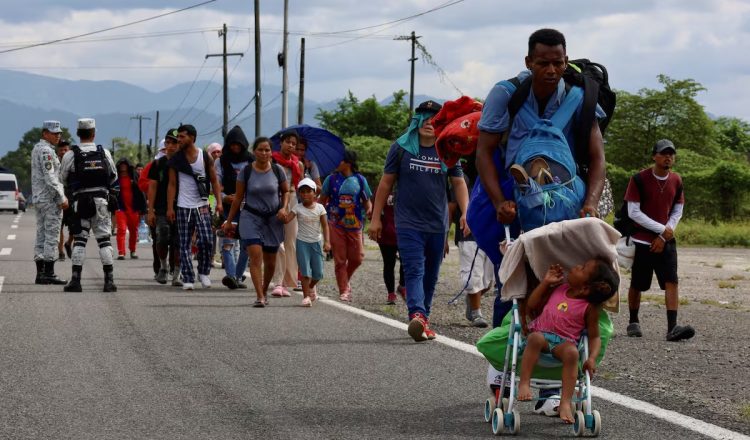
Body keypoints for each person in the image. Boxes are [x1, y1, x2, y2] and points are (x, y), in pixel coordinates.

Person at [474, 28, 607, 411]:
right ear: (528, 62)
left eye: (558, 63)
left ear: (567, 62)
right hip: (513, 202)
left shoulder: (581, 97)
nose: (551, 70)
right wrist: (499, 200)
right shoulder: (507, 94)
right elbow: (484, 152)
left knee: (563, 285)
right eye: (543, 63)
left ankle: (550, 387)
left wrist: (592, 202)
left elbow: (597, 157)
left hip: (568, 201)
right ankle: (502, 371)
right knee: (514, 278)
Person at [368, 100, 470, 342]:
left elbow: (458, 183)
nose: (428, 123)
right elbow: (385, 183)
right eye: (423, 118)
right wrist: (375, 219)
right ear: (415, 121)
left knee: (431, 275)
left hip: (437, 224)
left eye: (434, 119)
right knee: (414, 269)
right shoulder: (400, 148)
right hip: (407, 223)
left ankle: (424, 320)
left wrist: (466, 213)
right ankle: (417, 314)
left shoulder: (448, 149)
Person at [517, 258, 618, 424]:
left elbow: (594, 337)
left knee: (572, 352)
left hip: (563, 343)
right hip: (541, 334)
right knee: (534, 338)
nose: (576, 265)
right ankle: (524, 382)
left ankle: (565, 402)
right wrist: (545, 283)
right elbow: (532, 305)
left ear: (585, 288)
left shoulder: (589, 308)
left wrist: (592, 358)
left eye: (582, 267)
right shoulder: (559, 288)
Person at [624, 139, 694, 342]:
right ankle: (633, 321)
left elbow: (677, 210)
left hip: (666, 242)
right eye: (664, 153)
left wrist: (665, 235)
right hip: (642, 241)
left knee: (672, 281)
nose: (668, 157)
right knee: (638, 283)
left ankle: (672, 328)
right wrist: (662, 230)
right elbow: (633, 212)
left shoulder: (677, 180)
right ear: (654, 156)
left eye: (671, 154)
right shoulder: (638, 179)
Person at [222, 137, 290, 307]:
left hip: (273, 219)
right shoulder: (246, 172)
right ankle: (259, 296)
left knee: (271, 261)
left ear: (271, 152)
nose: (264, 153)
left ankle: (265, 289)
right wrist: (229, 221)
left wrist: (284, 208)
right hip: (250, 217)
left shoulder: (277, 170)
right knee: (255, 256)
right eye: (260, 149)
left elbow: (286, 191)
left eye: (267, 150)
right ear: (254, 151)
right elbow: (238, 199)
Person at [59, 118, 119, 292]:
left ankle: (76, 281)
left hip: (80, 202)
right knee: (104, 241)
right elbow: (113, 176)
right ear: (94, 133)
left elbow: (62, 178)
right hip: (101, 201)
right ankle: (109, 281)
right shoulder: (104, 153)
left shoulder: (71, 154)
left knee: (79, 241)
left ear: (78, 134)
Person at [166, 124, 223, 290]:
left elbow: (214, 181)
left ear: (192, 137)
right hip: (183, 206)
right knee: (184, 244)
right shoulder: (176, 159)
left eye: (182, 137)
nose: (179, 140)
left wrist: (218, 202)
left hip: (202, 205)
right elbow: (172, 184)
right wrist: (171, 207)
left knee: (206, 240)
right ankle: (188, 278)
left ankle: (204, 272)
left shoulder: (205, 157)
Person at [319, 150, 372, 302]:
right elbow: (322, 201)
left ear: (348, 162)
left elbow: (367, 200)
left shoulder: (360, 180)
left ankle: (345, 279)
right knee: (340, 260)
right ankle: (344, 290)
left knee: (358, 258)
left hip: (355, 225)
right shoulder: (331, 179)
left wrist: (369, 209)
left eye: (339, 160)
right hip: (334, 224)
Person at [449, 171, 491, 328]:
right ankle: (476, 312)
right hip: (469, 234)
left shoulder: (497, 172)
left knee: (489, 281)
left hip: (491, 233)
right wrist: (444, 235)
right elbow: (451, 207)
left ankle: (472, 298)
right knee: (473, 277)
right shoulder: (462, 176)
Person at [31, 120, 69, 285]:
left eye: (59, 133)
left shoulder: (37, 148)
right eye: (54, 133)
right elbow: (50, 177)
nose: (57, 136)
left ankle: (40, 273)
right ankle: (49, 273)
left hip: (39, 199)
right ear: (45, 133)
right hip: (50, 199)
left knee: (41, 236)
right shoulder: (46, 151)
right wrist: (61, 197)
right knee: (51, 237)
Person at [215, 126, 253, 289]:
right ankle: (230, 275)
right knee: (227, 242)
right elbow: (216, 183)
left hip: (248, 207)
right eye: (232, 144)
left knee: (246, 245)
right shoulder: (220, 161)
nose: (235, 148)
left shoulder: (252, 161)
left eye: (238, 144)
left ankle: (238, 276)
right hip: (228, 207)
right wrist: (223, 198)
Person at [284, 178, 331, 307]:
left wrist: (327, 242)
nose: (305, 194)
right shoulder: (297, 208)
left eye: (308, 191)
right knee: (305, 272)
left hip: (316, 242)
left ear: (314, 193)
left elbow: (325, 226)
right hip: (302, 243)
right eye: (302, 192)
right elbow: (287, 220)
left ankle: (311, 287)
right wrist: (282, 213)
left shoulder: (320, 208)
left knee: (318, 273)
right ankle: (306, 297)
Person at [270, 130, 304, 297]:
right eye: (288, 142)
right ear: (281, 142)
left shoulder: (298, 165)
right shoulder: (272, 161)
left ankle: (287, 282)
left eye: (294, 143)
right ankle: (277, 281)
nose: (291, 145)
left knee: (291, 242)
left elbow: (301, 187)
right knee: (277, 242)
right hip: (274, 200)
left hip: (292, 201)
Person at [146, 130, 182, 286]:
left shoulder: (185, 164)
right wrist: (150, 210)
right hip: (161, 209)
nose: (171, 146)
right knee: (162, 238)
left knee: (180, 242)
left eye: (175, 142)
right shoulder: (158, 164)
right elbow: (152, 187)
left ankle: (177, 274)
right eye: (168, 143)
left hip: (182, 207)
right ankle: (163, 267)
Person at [371, 187, 405, 305]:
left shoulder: (408, 185)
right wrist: (374, 224)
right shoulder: (382, 187)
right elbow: (375, 209)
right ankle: (391, 293)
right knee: (389, 264)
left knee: (406, 262)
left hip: (405, 232)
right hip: (386, 233)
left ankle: (403, 285)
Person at [114, 158, 146, 259]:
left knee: (133, 230)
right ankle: (121, 252)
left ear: (128, 166)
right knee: (121, 229)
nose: (123, 167)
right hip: (120, 207)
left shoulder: (134, 176)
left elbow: (141, 192)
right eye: (121, 165)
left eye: (125, 165)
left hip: (133, 208)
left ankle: (133, 250)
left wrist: (143, 208)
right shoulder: (116, 177)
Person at [55, 139, 74, 262]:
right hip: (58, 198)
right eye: (61, 150)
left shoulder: (74, 162)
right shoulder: (54, 162)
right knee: (59, 227)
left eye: (65, 149)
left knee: (75, 226)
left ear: (69, 151)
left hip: (72, 197)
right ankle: (61, 251)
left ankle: (69, 242)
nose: (63, 152)